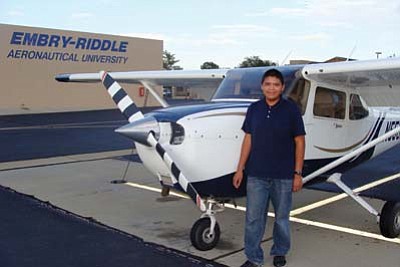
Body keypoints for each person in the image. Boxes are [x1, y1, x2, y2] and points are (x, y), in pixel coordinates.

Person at [233, 69, 306, 267]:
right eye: (267, 84)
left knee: (281, 218)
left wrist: (297, 173)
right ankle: (254, 258)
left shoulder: (291, 110)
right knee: (253, 219)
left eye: (276, 84)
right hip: (256, 174)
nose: (271, 88)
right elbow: (248, 139)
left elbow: (300, 141)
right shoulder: (254, 109)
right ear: (262, 86)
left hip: (283, 175)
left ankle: (280, 251)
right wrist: (240, 169)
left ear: (282, 87)